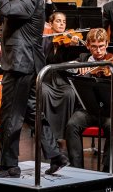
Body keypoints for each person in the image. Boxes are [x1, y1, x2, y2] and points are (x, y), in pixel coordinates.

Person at [0, 0, 68, 178]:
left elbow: (8, 10)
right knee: (31, 111)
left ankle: (10, 165)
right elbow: (0, 11)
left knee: (11, 114)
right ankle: (56, 155)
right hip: (26, 63)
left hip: (21, 64)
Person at [65, 28, 111, 172]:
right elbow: (66, 68)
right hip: (87, 109)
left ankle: (107, 169)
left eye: (101, 46)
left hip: (109, 112)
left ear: (107, 44)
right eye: (94, 47)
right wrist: (79, 68)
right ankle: (77, 169)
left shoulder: (111, 60)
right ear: (88, 46)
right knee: (72, 124)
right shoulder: (83, 59)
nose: (98, 51)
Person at [41, 12, 81, 152]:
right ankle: (47, 134)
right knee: (44, 93)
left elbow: (71, 62)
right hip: (46, 77)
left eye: (64, 21)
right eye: (58, 21)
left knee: (69, 93)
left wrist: (73, 46)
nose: (62, 24)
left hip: (62, 78)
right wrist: (50, 43)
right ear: (50, 24)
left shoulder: (68, 41)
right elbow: (42, 59)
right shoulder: (45, 40)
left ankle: (63, 135)